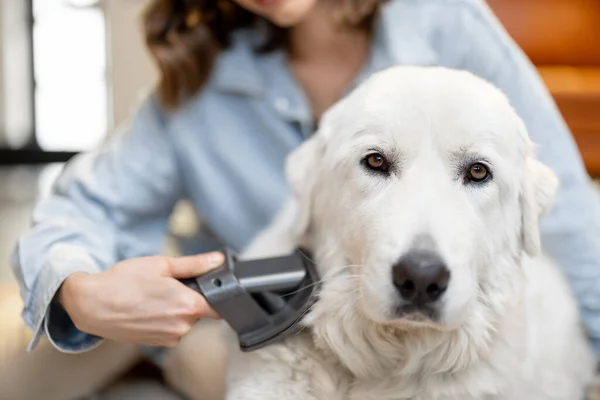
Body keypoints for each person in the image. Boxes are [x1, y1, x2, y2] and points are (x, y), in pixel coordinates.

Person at [2, 0, 600, 398]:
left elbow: (572, 222)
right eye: (376, 161)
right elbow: (81, 210)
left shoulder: (442, 20)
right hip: (234, 323)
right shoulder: (200, 80)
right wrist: (79, 294)